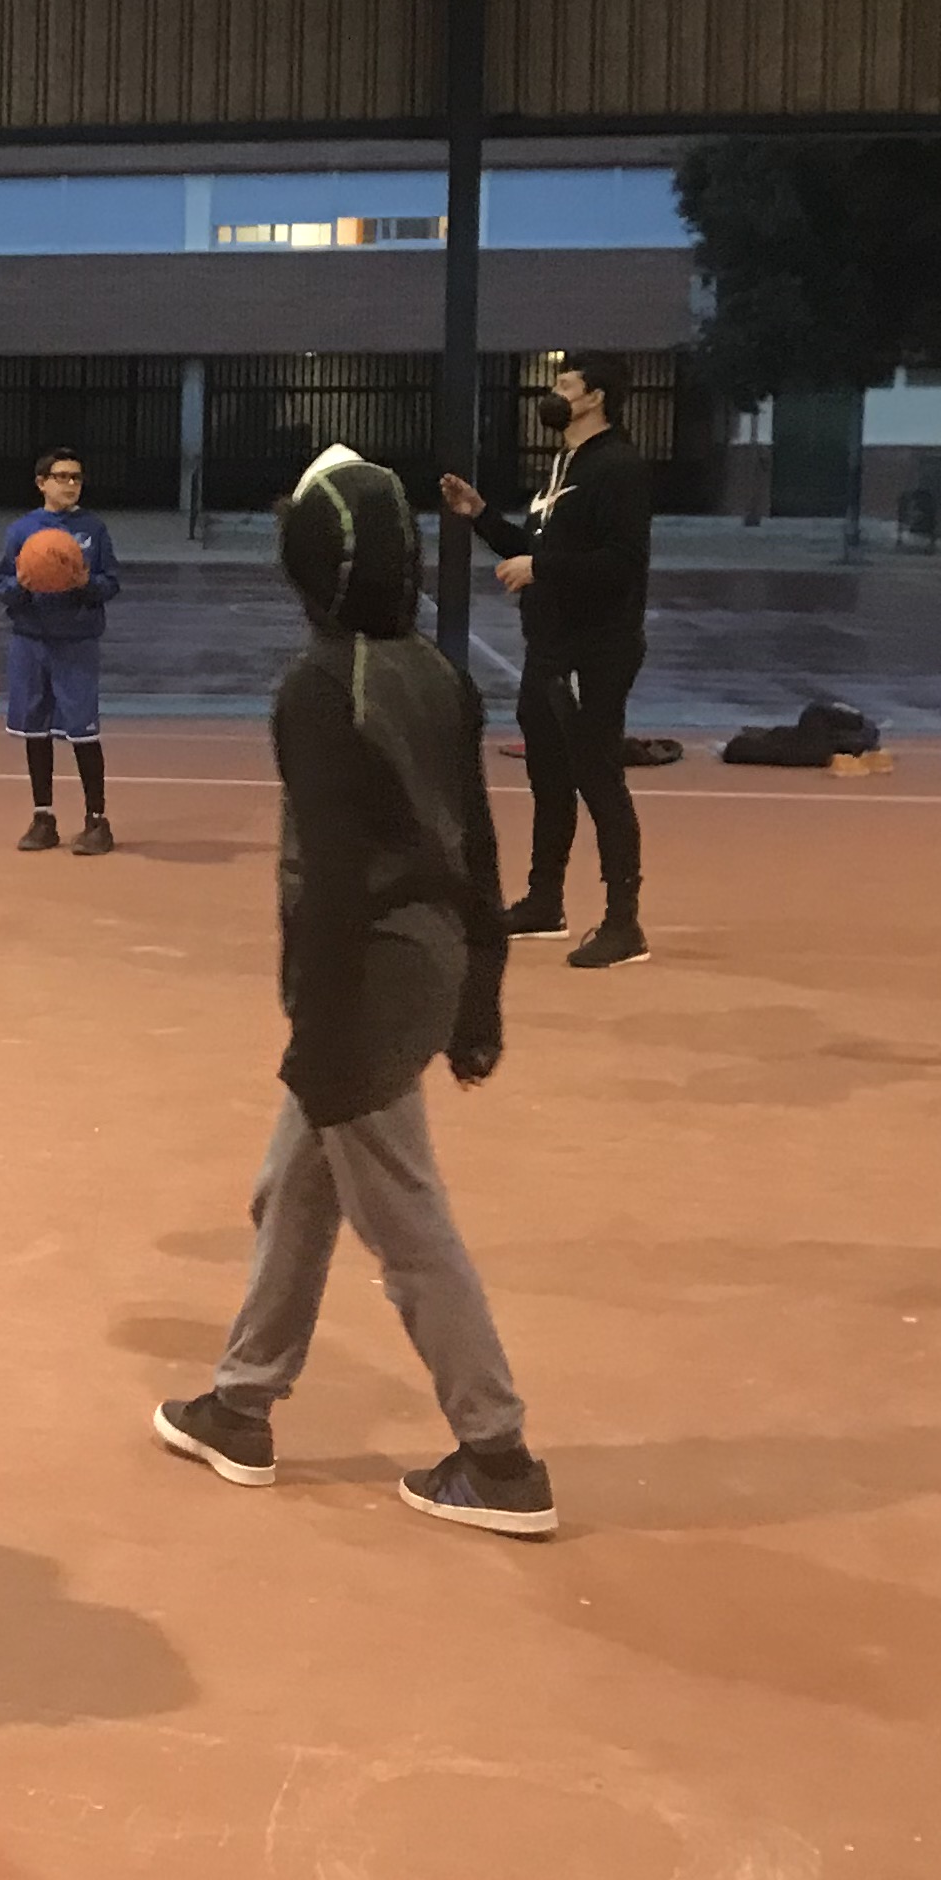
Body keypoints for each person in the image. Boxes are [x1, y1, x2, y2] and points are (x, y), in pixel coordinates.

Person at [155, 446, 552, 1538]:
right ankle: (241, 1402)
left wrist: (320, 1033)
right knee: (296, 1183)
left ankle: (499, 1452)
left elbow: (331, 881)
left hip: (359, 983)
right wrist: (482, 998)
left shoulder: (320, 687)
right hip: (423, 963)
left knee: (406, 1221)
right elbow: (478, 852)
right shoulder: (433, 669)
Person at [441, 348, 655, 972]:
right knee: (550, 780)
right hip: (550, 648)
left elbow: (622, 563)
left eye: (565, 382)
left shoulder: (618, 468)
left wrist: (543, 567)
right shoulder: (565, 464)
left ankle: (624, 923)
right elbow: (536, 549)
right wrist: (481, 517)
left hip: (597, 648)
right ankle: (544, 901)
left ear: (595, 397)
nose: (554, 392)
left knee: (599, 780)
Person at [0, 444, 123, 854]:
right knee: (35, 730)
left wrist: (85, 583)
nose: (71, 484)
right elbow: (2, 587)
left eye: (77, 478)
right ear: (41, 483)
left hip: (77, 642)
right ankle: (43, 817)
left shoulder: (93, 529)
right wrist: (24, 587)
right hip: (31, 642)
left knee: (83, 732)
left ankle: (97, 820)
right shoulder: (21, 531)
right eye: (62, 477)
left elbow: (111, 583)